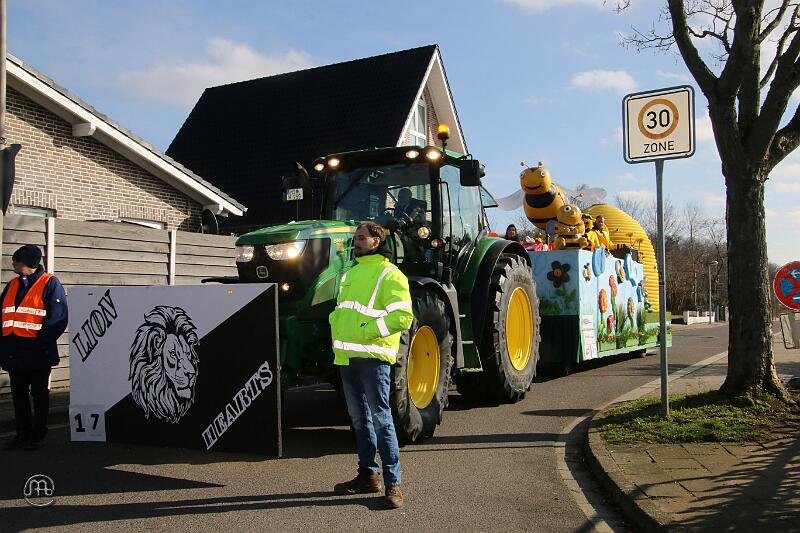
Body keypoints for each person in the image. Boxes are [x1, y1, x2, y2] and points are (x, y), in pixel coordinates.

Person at [329, 221, 413, 509]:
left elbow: (403, 317)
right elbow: (343, 312)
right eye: (356, 238)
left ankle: (393, 484)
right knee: (359, 419)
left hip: (373, 359)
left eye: (362, 237)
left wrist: (366, 329)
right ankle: (368, 475)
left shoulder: (390, 274)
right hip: (348, 359)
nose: (357, 242)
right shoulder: (349, 273)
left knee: (381, 420)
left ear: (377, 240)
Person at [1, 244, 68, 450]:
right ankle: (22, 434)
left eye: (17, 262)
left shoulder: (50, 283)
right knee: (19, 395)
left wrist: (41, 343)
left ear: (28, 264)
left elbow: (58, 317)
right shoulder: (12, 285)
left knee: (39, 395)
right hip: (15, 352)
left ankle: (37, 433)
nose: (13, 265)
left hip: (38, 352)